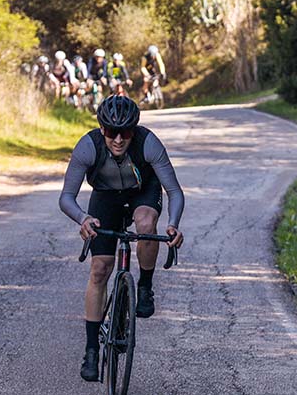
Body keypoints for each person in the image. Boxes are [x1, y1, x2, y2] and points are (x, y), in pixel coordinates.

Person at [58, 95, 185, 382]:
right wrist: (83, 219)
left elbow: (174, 191)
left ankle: (144, 286)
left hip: (142, 192)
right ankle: (92, 350)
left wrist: (174, 225)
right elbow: (66, 197)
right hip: (106, 197)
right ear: (101, 129)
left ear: (134, 131)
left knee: (146, 222)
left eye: (125, 133)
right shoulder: (88, 146)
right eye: (110, 132)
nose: (117, 139)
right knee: (100, 268)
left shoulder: (149, 143)